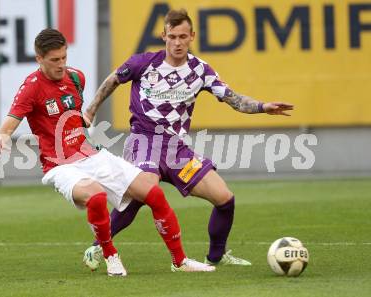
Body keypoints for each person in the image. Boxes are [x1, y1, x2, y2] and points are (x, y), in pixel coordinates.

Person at [0, 28, 215, 277]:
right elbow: (11, 121)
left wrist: (81, 122)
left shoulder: (76, 78)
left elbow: (71, 112)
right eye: (54, 60)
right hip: (60, 165)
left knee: (154, 194)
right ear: (39, 59)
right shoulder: (31, 88)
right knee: (96, 198)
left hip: (92, 155)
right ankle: (110, 255)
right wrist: (0, 135)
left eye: (64, 57)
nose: (61, 64)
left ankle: (180, 261)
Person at [82, 9, 294, 269]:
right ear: (163, 36)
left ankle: (216, 257)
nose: (178, 42)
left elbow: (232, 98)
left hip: (176, 150)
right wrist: (91, 109)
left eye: (183, 36)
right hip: (144, 141)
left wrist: (263, 107)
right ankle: (97, 247)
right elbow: (113, 79)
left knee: (225, 198)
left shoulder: (200, 70)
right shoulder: (143, 62)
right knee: (144, 192)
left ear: (192, 36)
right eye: (172, 36)